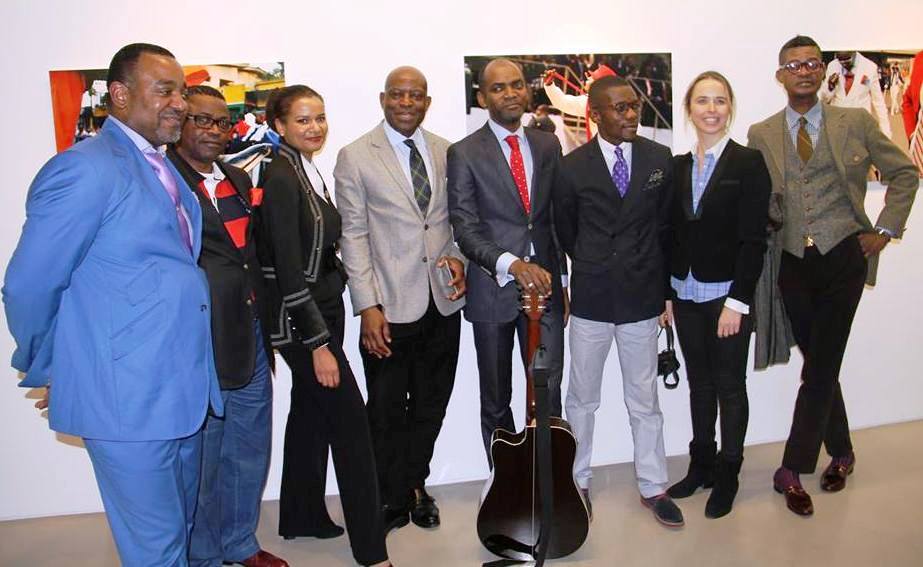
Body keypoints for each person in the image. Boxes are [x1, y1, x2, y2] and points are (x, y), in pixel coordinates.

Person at [3, 43, 222, 565]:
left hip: (182, 392)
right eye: (163, 90)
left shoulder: (164, 169)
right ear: (119, 96)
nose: (179, 103)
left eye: (182, 90)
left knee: (181, 534)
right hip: (126, 399)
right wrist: (55, 365)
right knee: (157, 551)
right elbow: (29, 285)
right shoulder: (85, 169)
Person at [748, 35, 918, 517]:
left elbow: (905, 174)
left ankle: (791, 467)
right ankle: (841, 452)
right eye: (792, 65)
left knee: (820, 364)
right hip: (792, 262)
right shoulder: (761, 133)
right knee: (822, 362)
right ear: (780, 75)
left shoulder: (856, 121)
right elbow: (761, 199)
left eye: (811, 63)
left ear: (821, 72)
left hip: (845, 255)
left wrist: (885, 230)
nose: (802, 71)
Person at [257, 85, 390, 566]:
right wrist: (317, 345)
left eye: (319, 118)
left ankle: (301, 514)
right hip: (302, 322)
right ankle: (372, 552)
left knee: (310, 415)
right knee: (351, 429)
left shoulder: (303, 167)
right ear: (279, 126)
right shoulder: (281, 177)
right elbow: (289, 271)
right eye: (302, 121)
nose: (314, 128)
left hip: (324, 309)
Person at [334, 66, 466, 534]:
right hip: (387, 307)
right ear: (383, 98)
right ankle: (389, 495)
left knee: (432, 402)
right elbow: (353, 234)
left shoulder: (446, 151)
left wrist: (457, 260)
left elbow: (452, 223)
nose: (406, 102)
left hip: (443, 302)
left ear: (426, 101)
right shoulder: (355, 156)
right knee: (387, 407)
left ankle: (415, 485)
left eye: (415, 95)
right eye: (397, 94)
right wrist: (366, 305)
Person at [167, 85, 288, 567]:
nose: (214, 131)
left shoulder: (238, 178)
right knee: (205, 454)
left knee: (250, 446)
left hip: (252, 335)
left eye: (222, 123)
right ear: (180, 123)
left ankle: (240, 544)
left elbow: (249, 258)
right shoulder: (166, 183)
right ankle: (201, 555)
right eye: (202, 120)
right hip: (200, 341)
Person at [555, 75, 681, 527]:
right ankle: (576, 481)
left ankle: (654, 485)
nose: (632, 115)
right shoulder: (571, 168)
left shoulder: (659, 159)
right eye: (620, 108)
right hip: (591, 296)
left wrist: (666, 291)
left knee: (644, 399)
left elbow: (667, 230)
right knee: (582, 399)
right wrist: (586, 266)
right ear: (595, 114)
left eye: (635, 107)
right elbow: (565, 231)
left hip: (642, 297)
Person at [447, 58, 568, 462]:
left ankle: (550, 486)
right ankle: (506, 485)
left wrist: (563, 282)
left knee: (548, 390)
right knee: (497, 399)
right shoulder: (464, 153)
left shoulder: (548, 144)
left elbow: (552, 219)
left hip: (547, 288)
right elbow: (465, 228)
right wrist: (513, 265)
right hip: (492, 290)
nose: (511, 93)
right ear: (482, 97)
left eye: (516, 84)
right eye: (498, 88)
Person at [664, 72, 771, 519]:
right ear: (689, 109)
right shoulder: (678, 166)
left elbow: (754, 240)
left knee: (730, 385)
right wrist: (665, 294)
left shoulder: (748, 163)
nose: (711, 109)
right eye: (703, 101)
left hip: (726, 296)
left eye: (720, 101)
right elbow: (668, 234)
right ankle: (701, 465)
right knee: (699, 384)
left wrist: (738, 302)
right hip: (683, 293)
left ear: (730, 108)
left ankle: (729, 472)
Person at [821, 51, 892, 138]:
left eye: (847, 61)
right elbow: (824, 99)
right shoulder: (833, 66)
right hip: (837, 128)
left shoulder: (869, 68)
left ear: (854, 53)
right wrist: (830, 87)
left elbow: (878, 102)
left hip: (860, 128)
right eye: (841, 61)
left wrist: (886, 132)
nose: (843, 65)